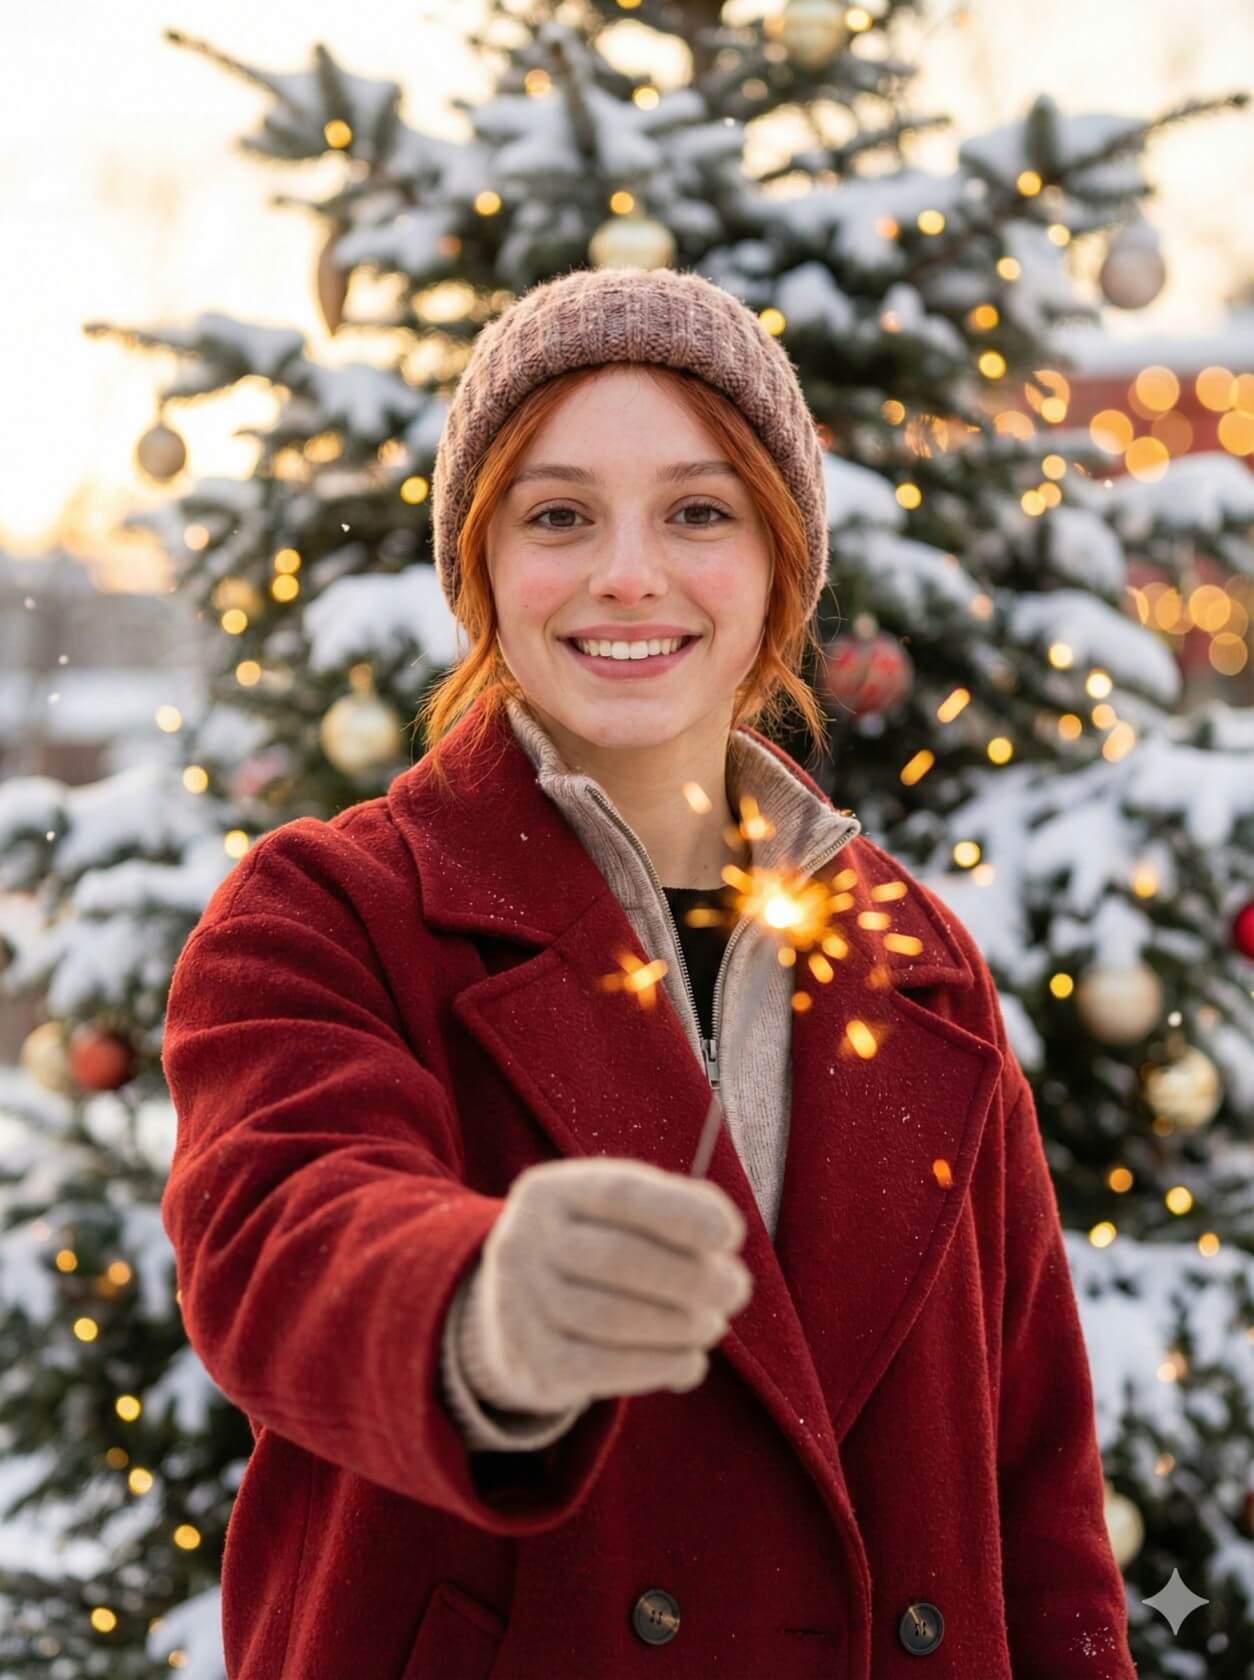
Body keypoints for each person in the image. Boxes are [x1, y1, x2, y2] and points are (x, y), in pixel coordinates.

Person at [160, 266, 1138, 1679]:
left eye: (698, 511)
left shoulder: (915, 958)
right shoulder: (326, 910)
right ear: (480, 561)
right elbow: (281, 1243)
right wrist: (480, 1306)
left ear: (777, 563)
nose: (630, 573)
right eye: (559, 515)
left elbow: (1036, 1492)